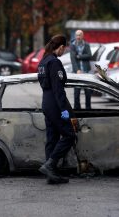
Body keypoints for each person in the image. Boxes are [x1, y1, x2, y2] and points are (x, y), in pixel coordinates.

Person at [38, 34, 76, 184]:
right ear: (60, 47)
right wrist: (63, 109)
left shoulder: (43, 61)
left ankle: (51, 175)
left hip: (46, 102)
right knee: (69, 135)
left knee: (52, 139)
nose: (63, 52)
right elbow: (58, 89)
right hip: (55, 103)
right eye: (64, 49)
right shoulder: (54, 62)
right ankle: (50, 165)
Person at [70, 30, 92, 109]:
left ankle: (88, 109)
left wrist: (79, 56)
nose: (78, 37)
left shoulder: (86, 45)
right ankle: (77, 109)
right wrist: (77, 70)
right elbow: (73, 59)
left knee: (88, 92)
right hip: (77, 73)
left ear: (83, 36)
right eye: (77, 35)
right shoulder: (72, 45)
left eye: (79, 35)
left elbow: (89, 55)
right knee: (76, 93)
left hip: (86, 72)